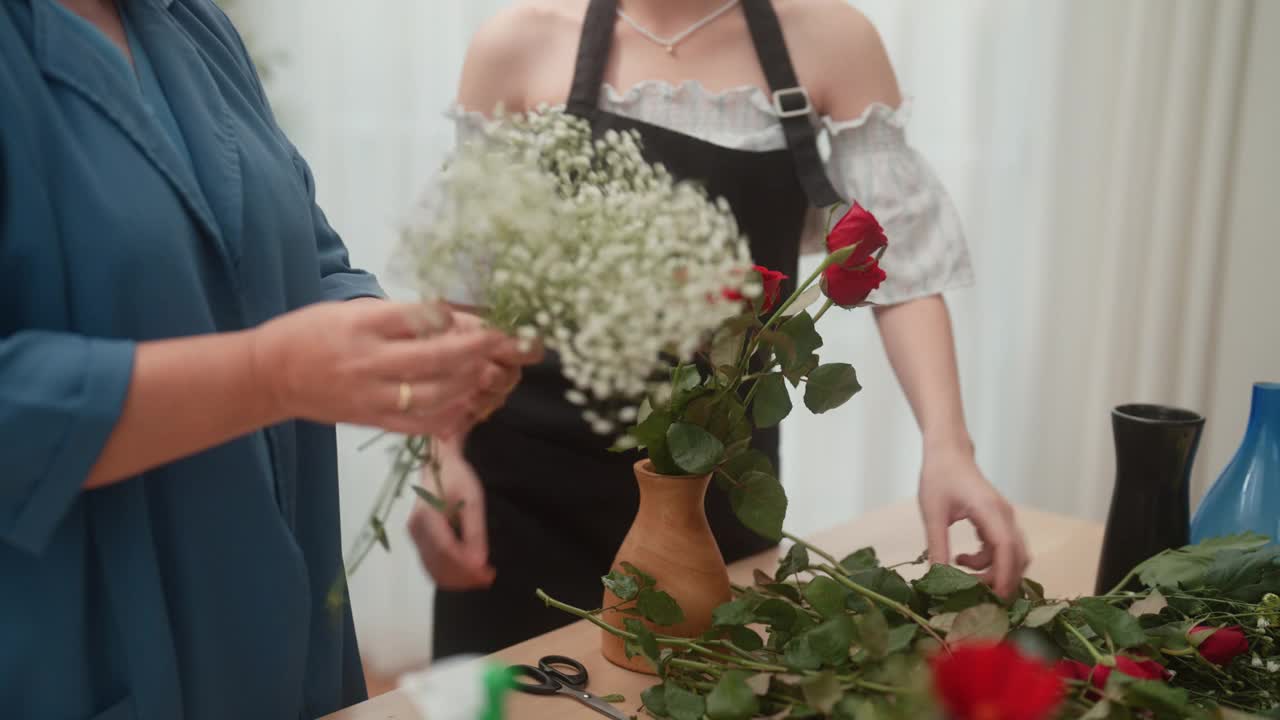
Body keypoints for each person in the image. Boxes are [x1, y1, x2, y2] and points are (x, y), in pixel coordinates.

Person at [412, 0, 1031, 659]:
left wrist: (948, 448)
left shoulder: (829, 40)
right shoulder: (519, 41)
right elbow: (466, 295)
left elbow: (900, 265)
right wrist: (439, 457)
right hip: (523, 498)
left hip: (714, 491)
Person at [0, 1, 538, 718]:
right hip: (77, 652)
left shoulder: (191, 24)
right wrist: (269, 375)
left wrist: (398, 346)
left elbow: (301, 255)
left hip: (281, 634)